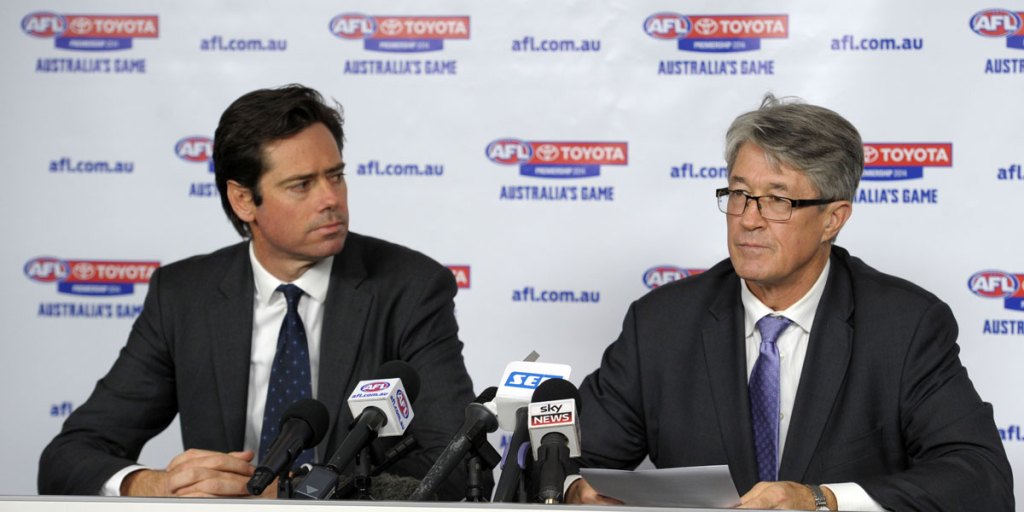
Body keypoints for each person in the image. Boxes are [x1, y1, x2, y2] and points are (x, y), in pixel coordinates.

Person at [568, 95, 1014, 511]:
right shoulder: (662, 324)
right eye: (739, 194)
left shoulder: (905, 326)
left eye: (777, 200)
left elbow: (982, 479)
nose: (748, 219)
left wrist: (824, 501)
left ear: (832, 219)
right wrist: (577, 491)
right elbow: (570, 459)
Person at [38, 84, 477, 500]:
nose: (331, 199)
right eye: (302, 184)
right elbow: (67, 458)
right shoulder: (183, 297)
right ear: (244, 201)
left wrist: (291, 493)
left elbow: (457, 464)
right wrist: (155, 485)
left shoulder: (411, 288)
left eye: (336, 176)